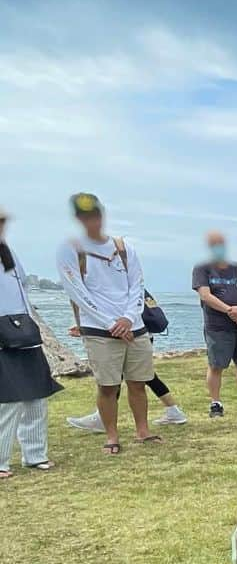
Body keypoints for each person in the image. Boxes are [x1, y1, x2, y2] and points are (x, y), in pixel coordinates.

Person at [57, 192, 161, 454]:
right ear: (78, 219)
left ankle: (143, 430)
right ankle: (111, 436)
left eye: (95, 214)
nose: (93, 220)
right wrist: (110, 322)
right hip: (99, 329)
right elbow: (77, 291)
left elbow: (137, 285)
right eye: (86, 216)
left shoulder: (123, 247)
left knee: (138, 381)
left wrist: (127, 317)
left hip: (134, 324)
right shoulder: (71, 249)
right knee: (107, 385)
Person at [0, 210, 61, 479]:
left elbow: (21, 286)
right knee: (7, 400)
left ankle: (35, 455)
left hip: (22, 328)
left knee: (36, 396)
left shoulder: (8, 251)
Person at [192, 231, 237, 418]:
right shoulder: (202, 269)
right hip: (217, 327)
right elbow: (205, 295)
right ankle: (216, 404)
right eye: (214, 243)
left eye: (220, 243)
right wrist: (230, 310)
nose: (218, 246)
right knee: (216, 365)